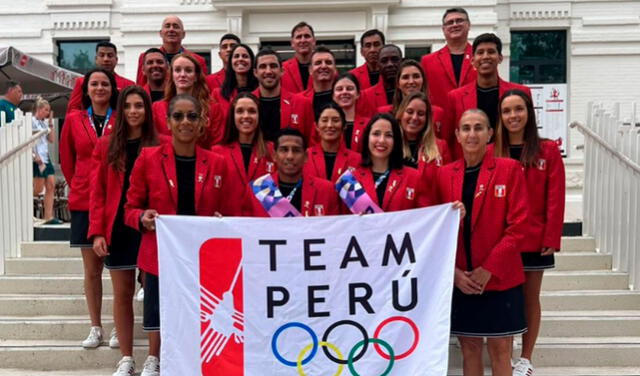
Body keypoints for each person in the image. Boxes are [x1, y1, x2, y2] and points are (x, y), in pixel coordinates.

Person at [125, 94, 231, 376]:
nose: (185, 122)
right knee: (159, 309)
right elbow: (129, 207)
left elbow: (231, 211)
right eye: (178, 116)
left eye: (192, 116)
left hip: (203, 258)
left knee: (200, 313)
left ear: (201, 123)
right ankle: (154, 358)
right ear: (168, 122)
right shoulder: (148, 158)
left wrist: (223, 221)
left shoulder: (217, 163)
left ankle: (201, 358)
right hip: (160, 253)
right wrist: (141, 217)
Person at [434, 109, 529, 376]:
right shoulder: (443, 175)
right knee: (470, 349)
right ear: (457, 135)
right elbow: (434, 232)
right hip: (462, 279)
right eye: (466, 128)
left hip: (499, 278)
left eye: (478, 128)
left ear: (490, 134)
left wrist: (489, 268)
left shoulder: (509, 169)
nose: (472, 134)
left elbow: (519, 226)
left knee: (501, 351)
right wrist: (453, 274)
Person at [88, 86, 160, 376]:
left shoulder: (159, 143)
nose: (133, 111)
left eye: (139, 106)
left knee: (154, 295)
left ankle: (154, 357)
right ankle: (127, 358)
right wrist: (97, 232)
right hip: (117, 227)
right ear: (121, 110)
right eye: (128, 105)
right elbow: (98, 191)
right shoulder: (106, 145)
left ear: (147, 110)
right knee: (123, 294)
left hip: (150, 227)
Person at [493, 90, 566, 376]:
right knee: (506, 298)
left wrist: (551, 237)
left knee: (529, 296)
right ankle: (504, 355)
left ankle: (525, 358)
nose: (513, 116)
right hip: (500, 239)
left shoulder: (546, 150)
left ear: (529, 113)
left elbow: (556, 196)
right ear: (500, 116)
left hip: (534, 239)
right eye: (507, 111)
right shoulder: (492, 151)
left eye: (518, 109)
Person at [59, 68, 119, 350]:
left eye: (104, 84)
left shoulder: (121, 118)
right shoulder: (73, 119)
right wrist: (82, 184)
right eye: (94, 84)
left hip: (117, 201)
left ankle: (120, 326)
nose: (99, 88)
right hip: (85, 200)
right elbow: (67, 160)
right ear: (86, 89)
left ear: (112, 88)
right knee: (92, 270)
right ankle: (96, 326)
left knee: (120, 269)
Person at [445, 33, 532, 159]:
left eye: (491, 51)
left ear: (500, 58)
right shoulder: (455, 97)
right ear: (473, 60)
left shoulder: (521, 93)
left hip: (511, 162)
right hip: (470, 164)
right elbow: (450, 139)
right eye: (480, 52)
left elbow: (529, 131)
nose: (485, 56)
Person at [247, 127, 341, 217]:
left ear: (306, 157)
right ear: (274, 155)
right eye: (284, 150)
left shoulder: (327, 191)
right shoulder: (257, 190)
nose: (290, 156)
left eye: (296, 150)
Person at [212, 92, 274, 216]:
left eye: (252, 111)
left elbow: (274, 203)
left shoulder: (272, 151)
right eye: (240, 111)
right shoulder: (217, 153)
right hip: (228, 226)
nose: (246, 116)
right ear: (232, 116)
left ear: (259, 116)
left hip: (262, 228)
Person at [350, 113, 424, 212]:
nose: (381, 140)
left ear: (396, 141)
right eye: (376, 134)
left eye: (389, 135)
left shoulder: (414, 177)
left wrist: (451, 210)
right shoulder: (351, 181)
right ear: (367, 137)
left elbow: (428, 217)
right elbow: (342, 222)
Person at [152, 53, 224, 148]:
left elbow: (217, 145)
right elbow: (153, 139)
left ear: (196, 76)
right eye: (177, 70)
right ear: (172, 75)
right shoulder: (157, 107)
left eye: (188, 70)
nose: (182, 75)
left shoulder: (213, 108)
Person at [421, 7, 477, 108]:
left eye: (459, 20)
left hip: (475, 119)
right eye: (450, 22)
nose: (455, 25)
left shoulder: (481, 58)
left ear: (469, 25)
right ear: (443, 29)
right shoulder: (428, 61)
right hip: (441, 121)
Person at [379, 60, 446, 138]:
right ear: (398, 84)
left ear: (423, 81)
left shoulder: (438, 113)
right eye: (405, 77)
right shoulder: (384, 113)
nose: (411, 81)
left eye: (416, 76)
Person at [135, 15, 208, 85]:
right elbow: (141, 88)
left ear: (183, 34)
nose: (171, 29)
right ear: (161, 33)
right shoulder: (146, 58)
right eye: (167, 26)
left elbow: (202, 89)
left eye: (176, 26)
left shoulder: (198, 60)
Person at [67, 42, 134, 116]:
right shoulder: (82, 82)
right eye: (102, 55)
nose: (106, 59)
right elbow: (73, 109)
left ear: (116, 60)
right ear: (96, 59)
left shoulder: (129, 84)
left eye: (110, 55)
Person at [289, 46, 338, 143]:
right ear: (310, 70)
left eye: (328, 62)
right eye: (318, 63)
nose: (323, 66)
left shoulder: (344, 98)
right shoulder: (297, 100)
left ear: (335, 69)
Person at [304, 103, 361, 183]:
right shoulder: (305, 156)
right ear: (316, 126)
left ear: (344, 126)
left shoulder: (356, 159)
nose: (330, 125)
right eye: (324, 120)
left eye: (335, 120)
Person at [396, 91, 450, 171]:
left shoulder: (441, 146)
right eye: (410, 112)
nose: (414, 118)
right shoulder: (390, 145)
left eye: (421, 114)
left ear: (427, 119)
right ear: (401, 114)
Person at [252, 48, 294, 142]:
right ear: (255, 72)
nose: (268, 71)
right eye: (263, 66)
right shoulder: (245, 104)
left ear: (282, 71)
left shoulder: (301, 104)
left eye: (273, 66)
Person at [31, 98, 61, 224]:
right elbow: (30, 139)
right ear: (39, 109)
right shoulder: (31, 121)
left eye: (49, 111)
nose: (48, 113)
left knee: (51, 185)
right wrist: (34, 155)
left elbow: (52, 139)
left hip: (46, 158)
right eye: (46, 110)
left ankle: (48, 216)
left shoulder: (44, 123)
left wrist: (50, 123)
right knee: (37, 190)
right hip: (36, 158)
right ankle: (26, 208)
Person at [212, 43, 258, 117]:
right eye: (236, 56)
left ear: (252, 61)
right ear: (231, 62)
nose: (240, 59)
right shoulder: (217, 94)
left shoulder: (261, 92)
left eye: (245, 56)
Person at [359, 44, 402, 117]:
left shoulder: (412, 93)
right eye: (384, 61)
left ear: (402, 61)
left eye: (394, 59)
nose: (390, 64)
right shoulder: (366, 96)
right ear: (378, 65)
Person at [332, 73, 370, 151]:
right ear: (333, 96)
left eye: (349, 88)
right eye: (339, 89)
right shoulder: (326, 125)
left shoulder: (368, 124)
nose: (344, 92)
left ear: (358, 94)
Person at [281, 22, 316, 93]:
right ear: (292, 43)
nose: (303, 40)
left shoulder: (324, 67)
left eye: (307, 36)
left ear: (314, 41)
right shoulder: (282, 69)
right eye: (299, 37)